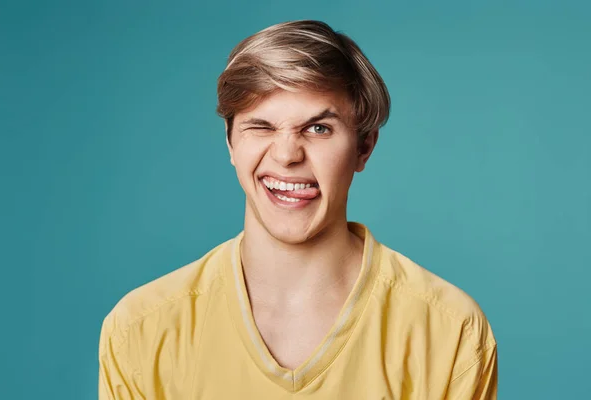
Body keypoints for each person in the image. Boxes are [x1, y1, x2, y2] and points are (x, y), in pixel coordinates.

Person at [98, 20, 498, 399]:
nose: (287, 155)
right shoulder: (142, 328)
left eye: (318, 128)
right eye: (261, 126)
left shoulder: (449, 330)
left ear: (364, 147)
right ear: (230, 143)